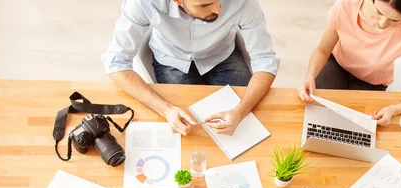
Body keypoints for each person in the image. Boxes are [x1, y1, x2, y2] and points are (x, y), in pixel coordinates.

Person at [101, 0, 279, 135]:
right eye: (205, 4)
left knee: (250, 121)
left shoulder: (243, 2)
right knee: (190, 130)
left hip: (222, 55)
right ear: (177, 1)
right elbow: (116, 62)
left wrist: (240, 111)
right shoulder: (143, 3)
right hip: (171, 58)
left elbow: (264, 58)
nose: (218, 9)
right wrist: (165, 109)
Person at [297, 0, 401, 126]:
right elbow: (323, 50)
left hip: (371, 83)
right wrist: (310, 76)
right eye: (379, 12)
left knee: (354, 128)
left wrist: (394, 109)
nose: (383, 23)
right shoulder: (346, 5)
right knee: (319, 118)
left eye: (394, 20)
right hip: (336, 65)